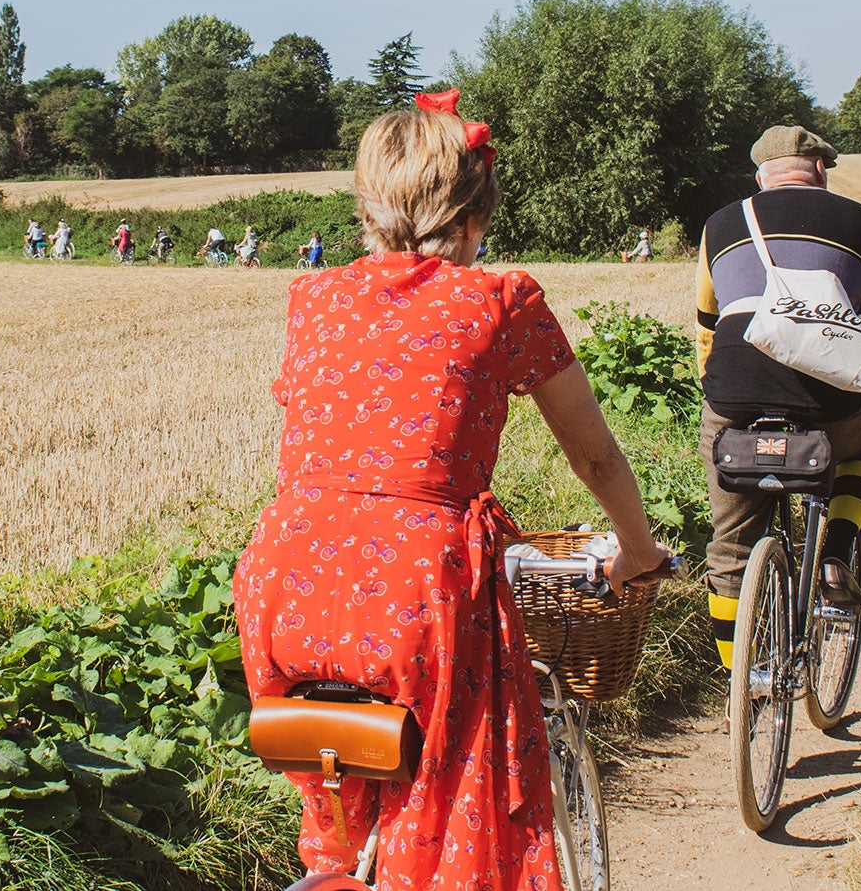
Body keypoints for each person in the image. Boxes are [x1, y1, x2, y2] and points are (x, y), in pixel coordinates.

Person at [234, 91, 667, 888]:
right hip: (418, 588)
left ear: (367, 207)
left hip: (286, 583)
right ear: (472, 216)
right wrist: (637, 549)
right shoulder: (501, 301)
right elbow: (596, 458)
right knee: (456, 808)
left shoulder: (312, 299)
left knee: (345, 796)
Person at [695, 125, 861, 661]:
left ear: (760, 176)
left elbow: (706, 327)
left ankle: (736, 683)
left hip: (735, 389)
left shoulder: (720, 224)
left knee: (730, 544)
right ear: (820, 170)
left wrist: (722, 397)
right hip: (829, 396)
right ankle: (836, 550)